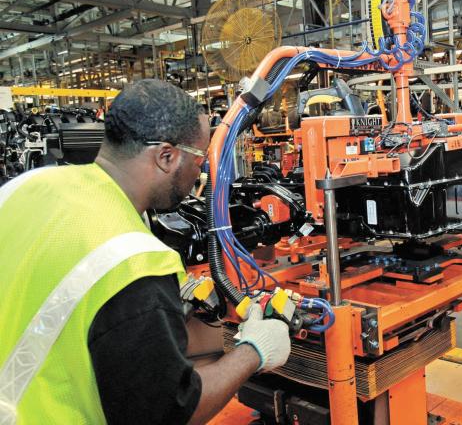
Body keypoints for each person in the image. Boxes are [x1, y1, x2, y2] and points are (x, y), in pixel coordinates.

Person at [0, 79, 291, 425]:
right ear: (166, 157)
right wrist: (254, 351)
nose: (202, 170)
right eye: (200, 158)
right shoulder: (134, 262)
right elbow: (170, 409)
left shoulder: (24, 188)